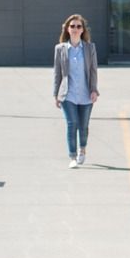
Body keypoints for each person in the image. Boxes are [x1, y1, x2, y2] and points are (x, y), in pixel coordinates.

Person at [52, 14, 99, 167]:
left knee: (83, 126)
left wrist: (94, 90)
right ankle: (72, 157)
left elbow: (93, 71)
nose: (75, 29)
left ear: (82, 30)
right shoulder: (60, 49)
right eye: (72, 26)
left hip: (86, 94)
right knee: (72, 124)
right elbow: (57, 73)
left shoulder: (89, 48)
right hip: (68, 94)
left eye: (79, 26)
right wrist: (56, 95)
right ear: (67, 28)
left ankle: (82, 149)